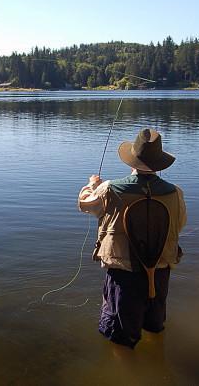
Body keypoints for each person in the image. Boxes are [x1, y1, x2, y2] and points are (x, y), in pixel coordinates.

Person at [78, 128, 187, 348]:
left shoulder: (109, 189)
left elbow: (85, 204)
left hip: (124, 275)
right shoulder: (175, 192)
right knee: (155, 327)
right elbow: (180, 224)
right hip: (160, 273)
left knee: (121, 338)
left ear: (132, 162)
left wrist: (92, 184)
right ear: (158, 164)